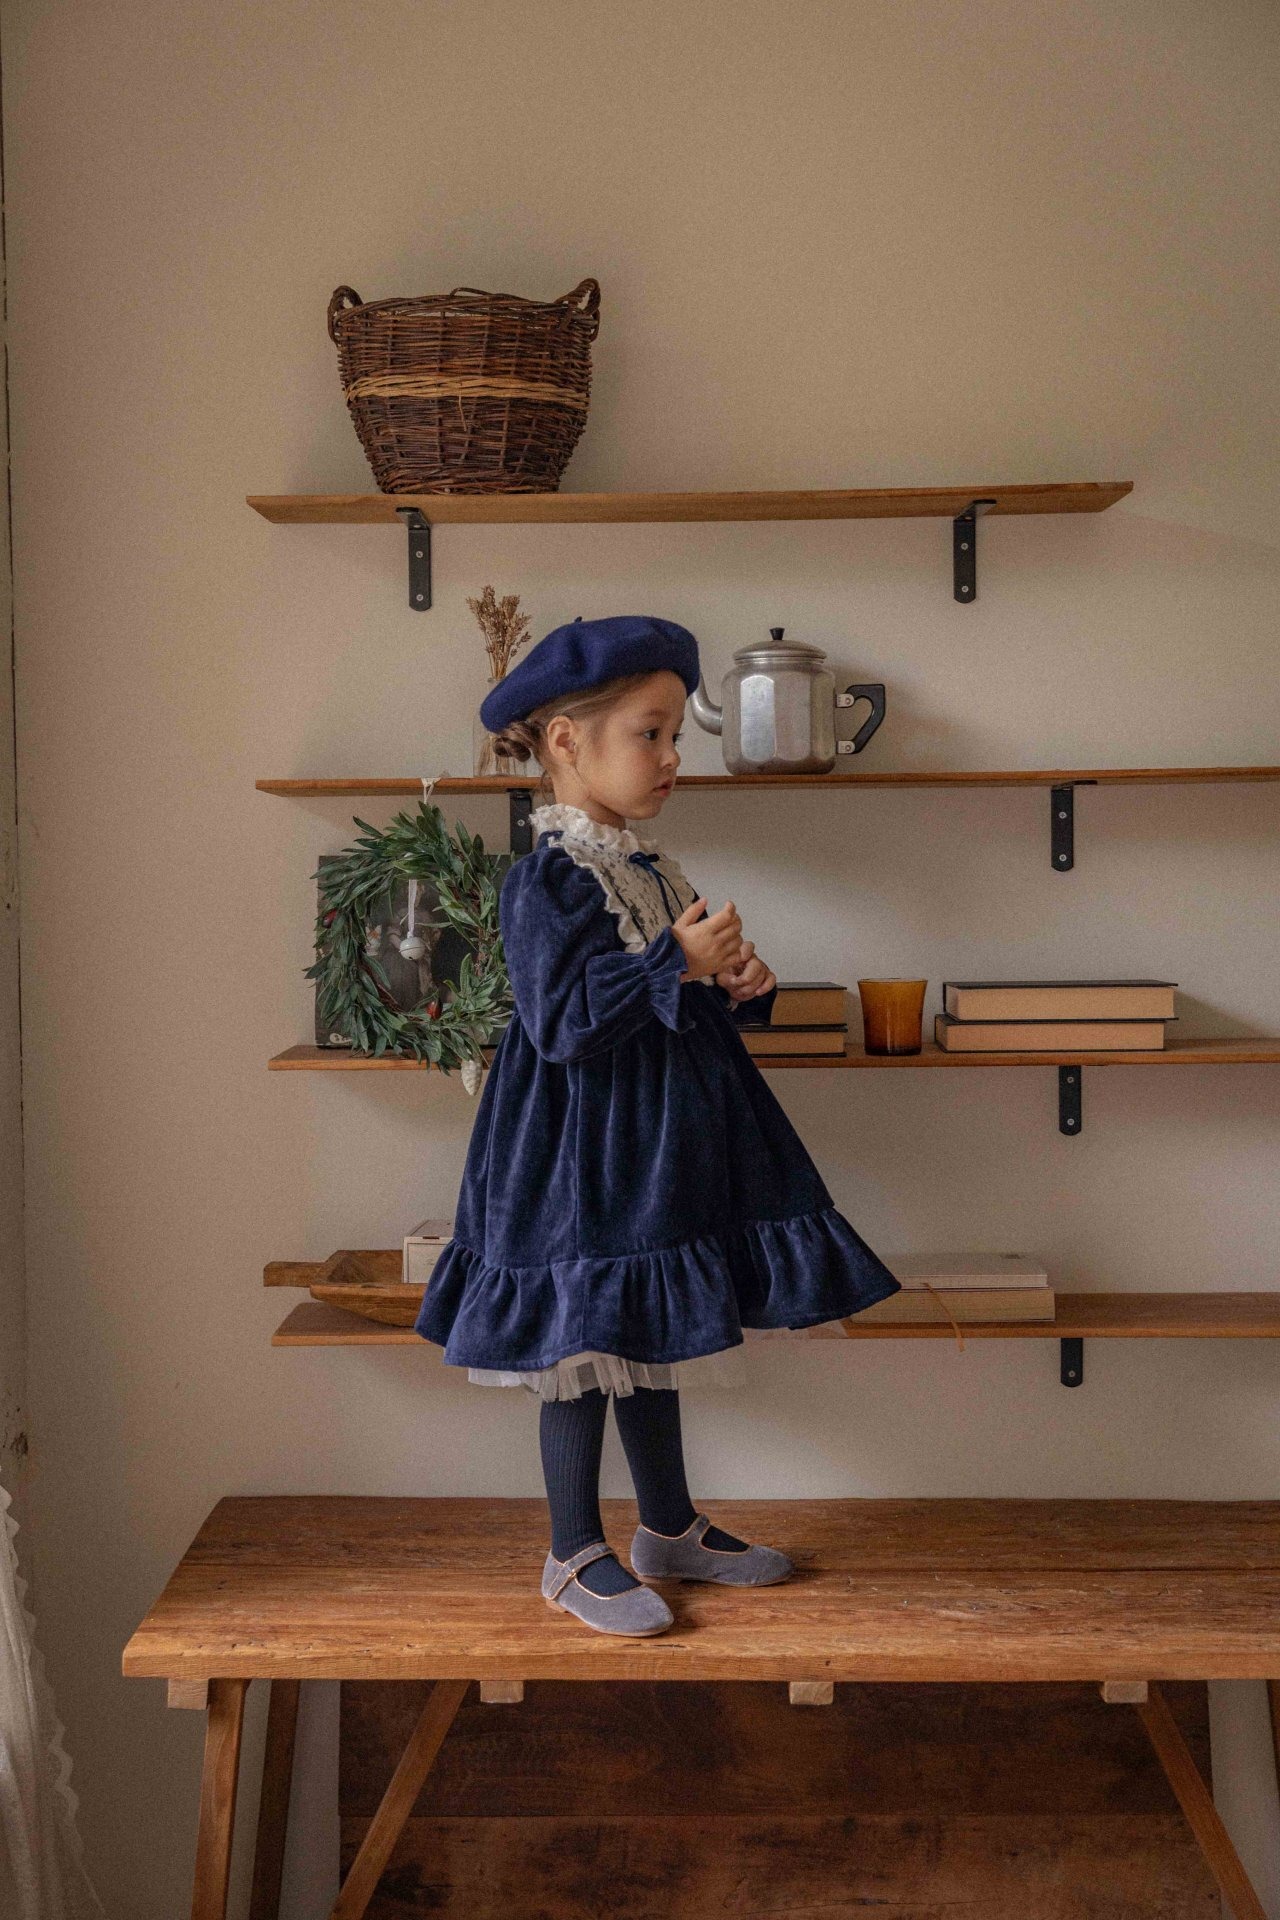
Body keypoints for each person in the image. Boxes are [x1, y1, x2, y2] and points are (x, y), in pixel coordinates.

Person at [414, 613, 901, 1635]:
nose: (674, 756)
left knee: (647, 1330)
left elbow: (668, 1000)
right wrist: (674, 962)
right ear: (565, 742)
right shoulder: (546, 878)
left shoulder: (649, 868)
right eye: (651, 734)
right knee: (582, 1344)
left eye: (675, 734)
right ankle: (570, 1549)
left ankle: (667, 1527)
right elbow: (562, 1020)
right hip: (577, 1153)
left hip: (656, 1146)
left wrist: (733, 985)